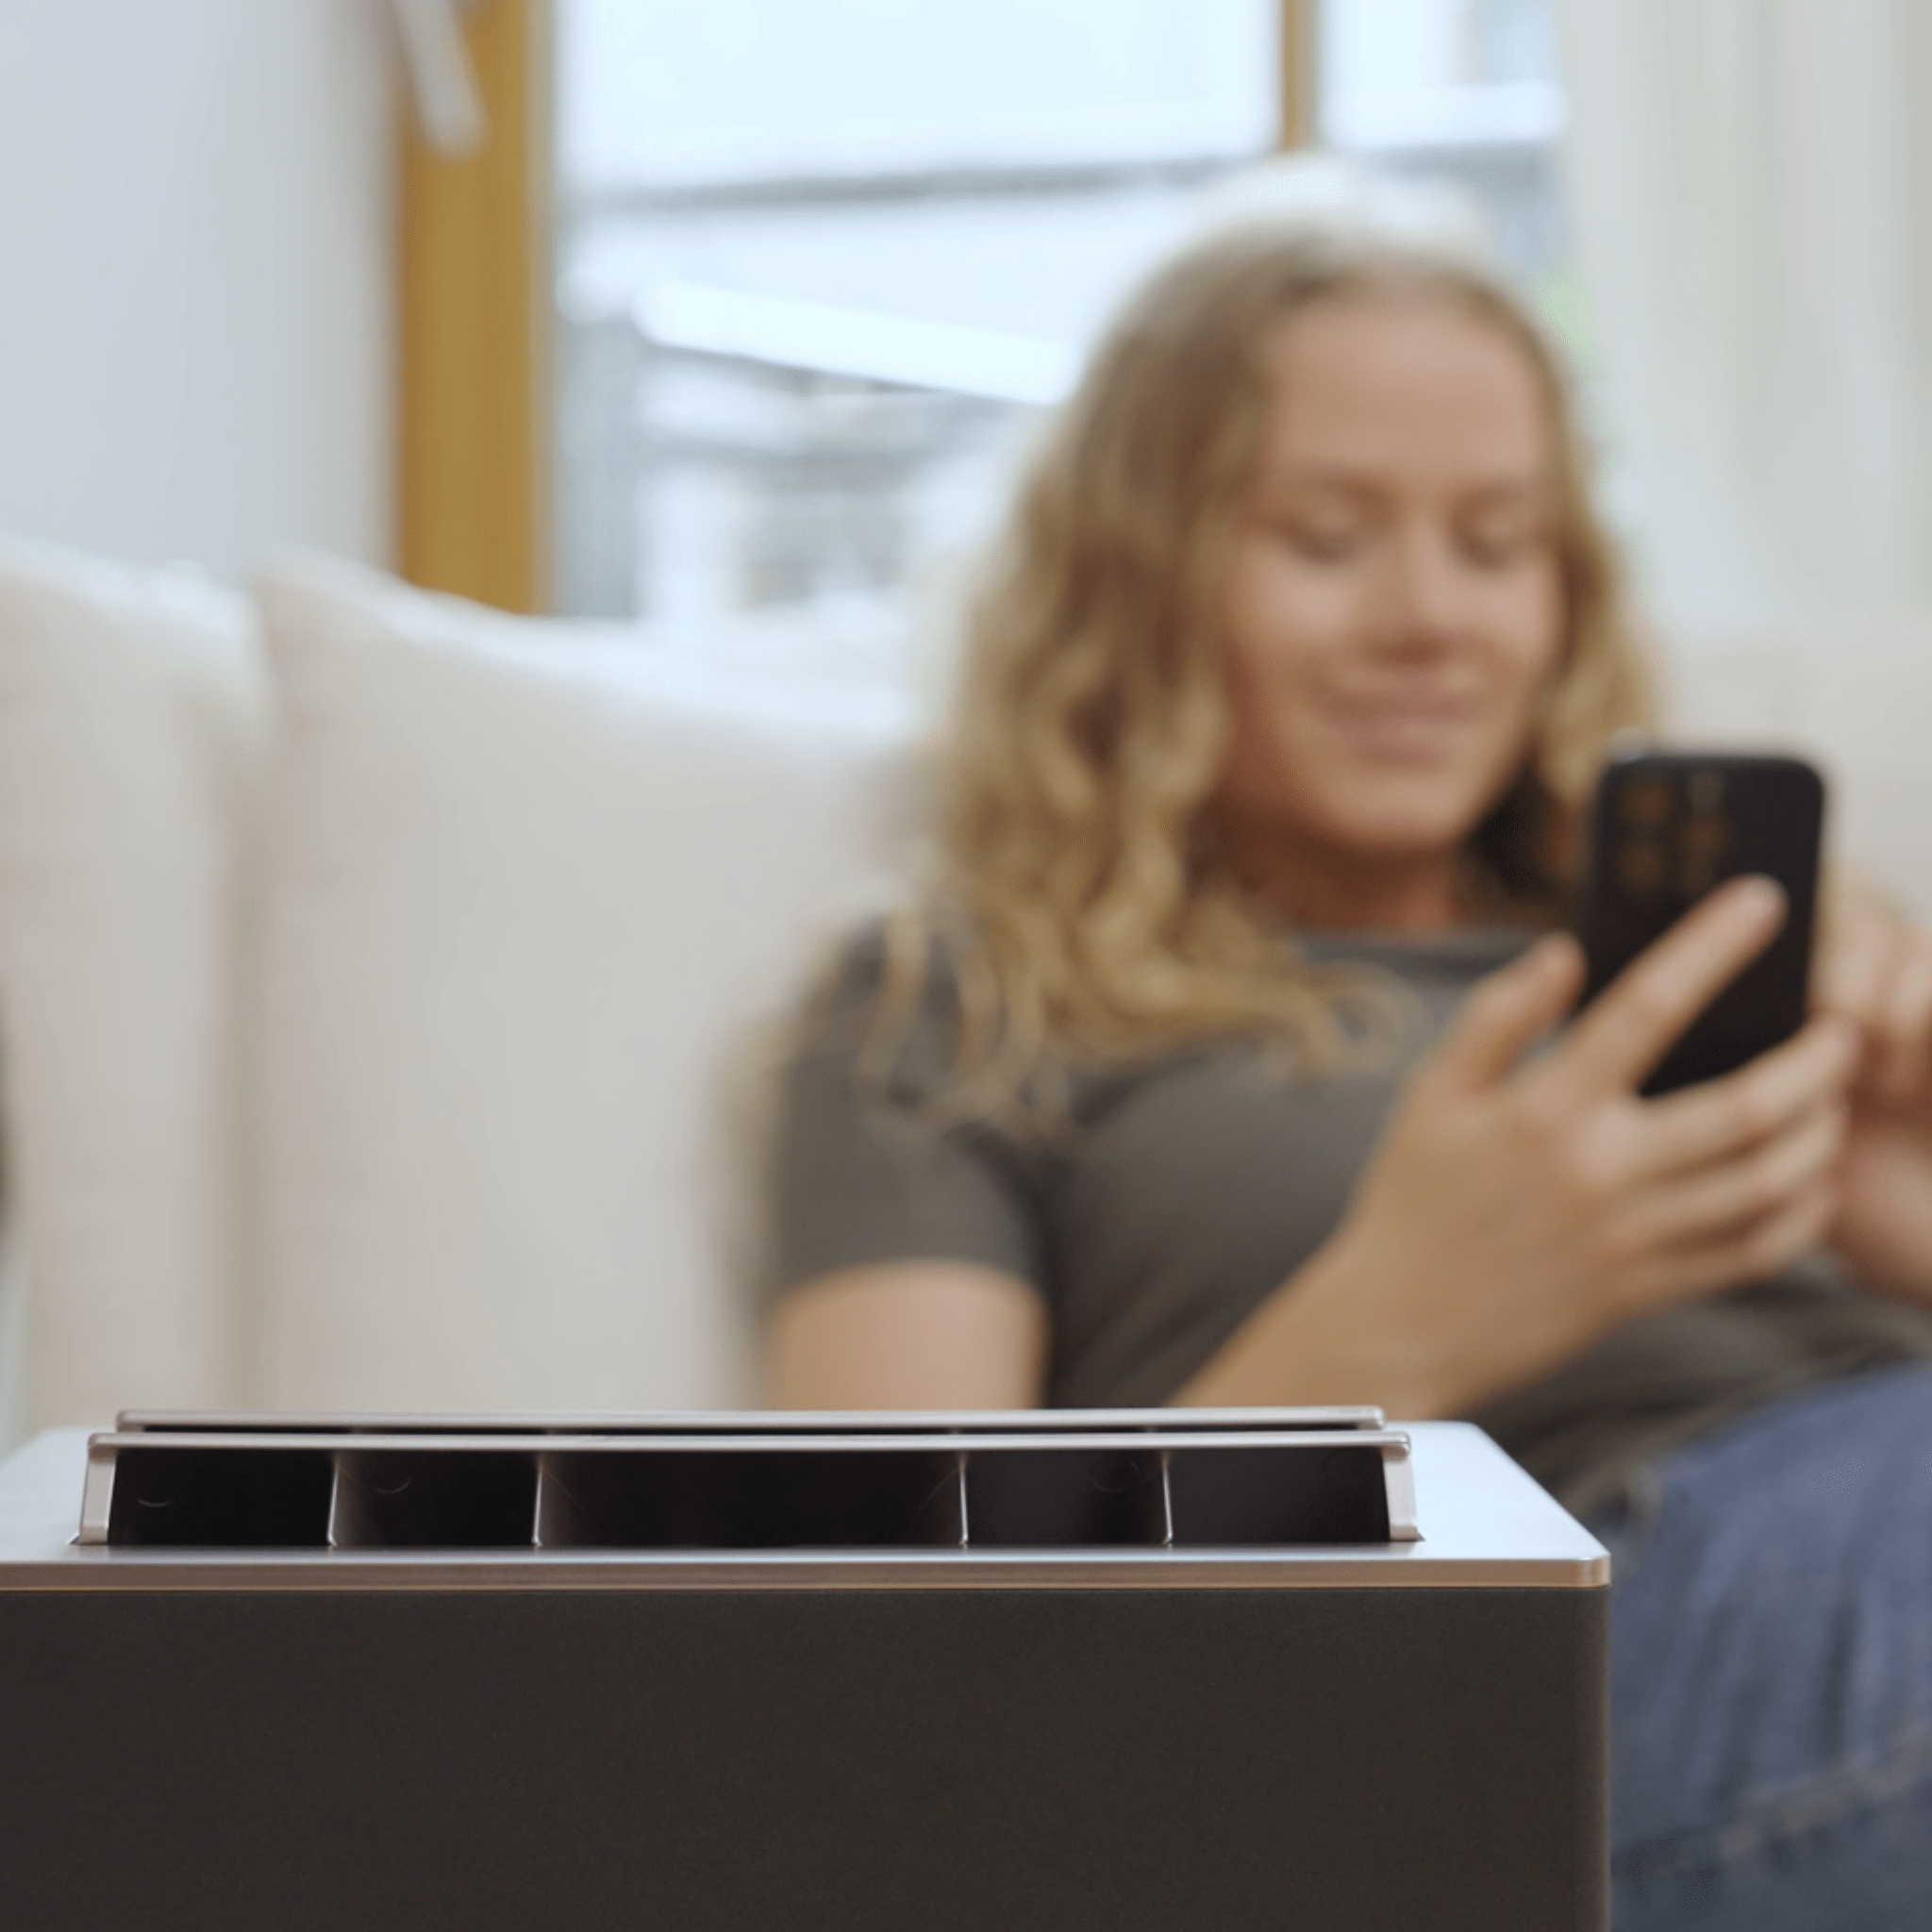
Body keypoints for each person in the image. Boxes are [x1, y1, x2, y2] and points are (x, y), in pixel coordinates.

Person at [760, 214, 1932, 1929]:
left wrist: (1899, 1202)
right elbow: (892, 1687)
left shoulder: (1694, 950)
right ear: (1144, 578)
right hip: (1566, 1645)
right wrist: (1403, 1326)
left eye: (1497, 543)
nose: (1428, 621)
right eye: (1327, 540)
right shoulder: (957, 1008)